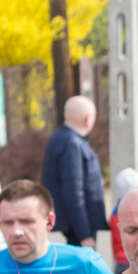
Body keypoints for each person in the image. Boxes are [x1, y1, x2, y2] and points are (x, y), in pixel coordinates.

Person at [39, 95, 107, 249]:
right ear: (88, 119)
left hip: (71, 228)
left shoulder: (62, 139)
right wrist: (85, 235)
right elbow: (73, 193)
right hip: (75, 232)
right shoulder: (72, 144)